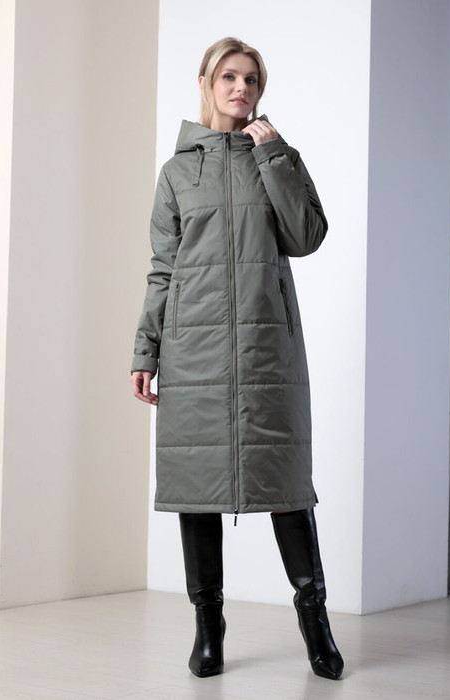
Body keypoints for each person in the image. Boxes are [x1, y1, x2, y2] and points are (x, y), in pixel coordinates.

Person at [131, 37, 343, 681]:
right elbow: (163, 268)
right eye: (228, 76)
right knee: (196, 489)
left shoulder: (275, 157)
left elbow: (307, 236)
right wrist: (146, 349)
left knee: (287, 487)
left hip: (265, 349)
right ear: (205, 82)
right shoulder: (176, 174)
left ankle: (316, 625)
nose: (240, 88)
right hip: (192, 350)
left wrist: (273, 153)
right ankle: (208, 627)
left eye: (250, 79)